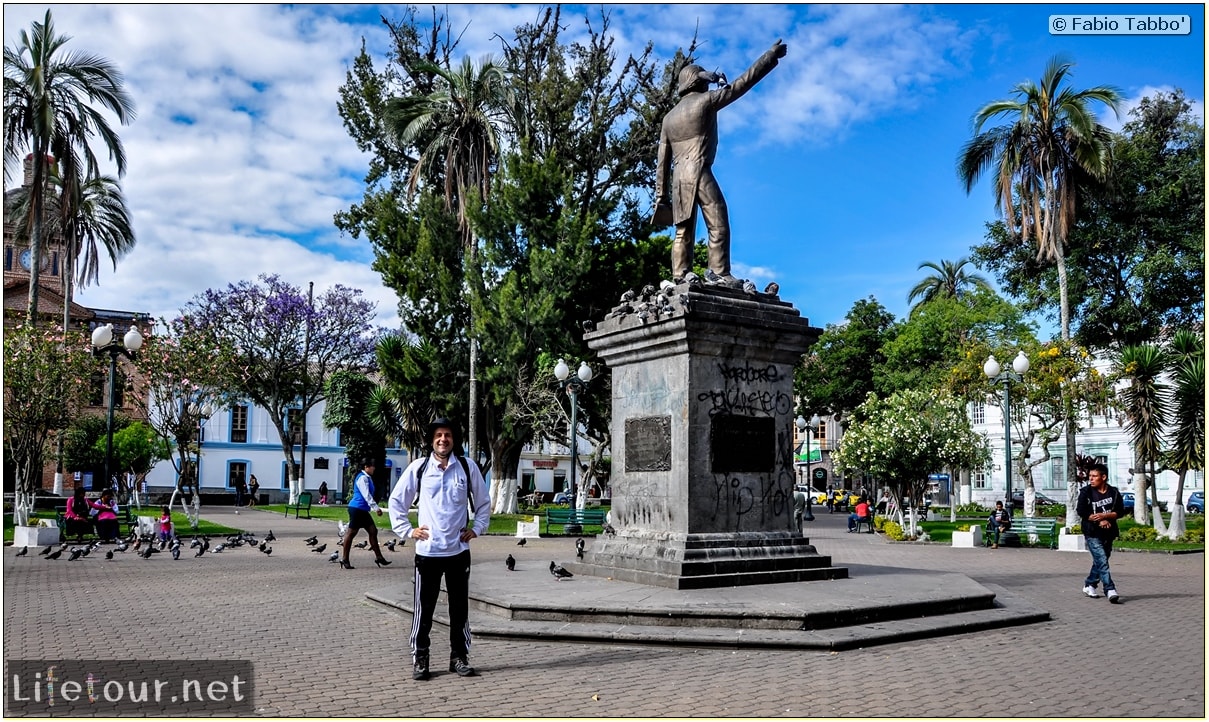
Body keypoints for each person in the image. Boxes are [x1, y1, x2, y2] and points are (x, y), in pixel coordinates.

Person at [654, 39, 788, 287]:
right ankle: (719, 272)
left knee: (683, 230)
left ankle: (680, 274)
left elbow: (662, 162)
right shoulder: (705, 102)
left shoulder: (668, 118)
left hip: (678, 178)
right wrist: (770, 57)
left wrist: (661, 196)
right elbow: (741, 84)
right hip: (698, 170)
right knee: (718, 223)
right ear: (699, 82)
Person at [388, 418, 491, 681]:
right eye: (438, 435)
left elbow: (483, 503)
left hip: (458, 552)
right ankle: (421, 658)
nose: (443, 439)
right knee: (424, 609)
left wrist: (477, 529)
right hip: (428, 553)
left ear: (454, 440)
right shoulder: (420, 468)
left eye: (447, 435)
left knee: (459, 610)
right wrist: (408, 531)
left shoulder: (466, 468)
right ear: (432, 440)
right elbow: (397, 501)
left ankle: (459, 657)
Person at [1076, 463, 1125, 603]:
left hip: (1109, 532)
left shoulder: (1114, 492)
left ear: (1103, 477)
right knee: (1102, 560)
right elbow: (1082, 512)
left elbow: (1120, 512)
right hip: (1092, 532)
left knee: (1101, 560)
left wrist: (1106, 516)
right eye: (1089, 476)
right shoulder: (1086, 492)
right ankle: (1110, 589)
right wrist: (1099, 520)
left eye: (1094, 476)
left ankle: (1090, 584)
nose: (1091, 479)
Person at [339, 459, 390, 570]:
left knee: (373, 531)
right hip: (357, 509)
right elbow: (366, 495)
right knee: (351, 533)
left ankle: (379, 557)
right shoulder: (362, 478)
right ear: (366, 467)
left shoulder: (367, 477)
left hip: (362, 510)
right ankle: (345, 559)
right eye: (372, 466)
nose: (374, 468)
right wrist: (376, 508)